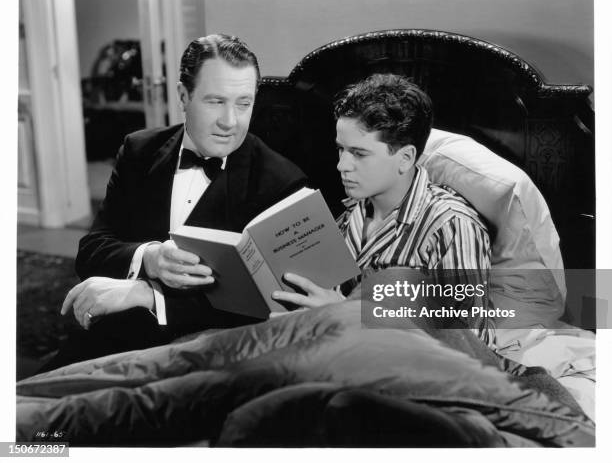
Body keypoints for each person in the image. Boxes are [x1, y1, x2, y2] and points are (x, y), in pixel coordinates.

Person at [46, 34, 307, 370]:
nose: (230, 121)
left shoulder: (283, 182)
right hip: (111, 336)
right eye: (215, 101)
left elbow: (273, 306)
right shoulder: (139, 151)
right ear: (183, 96)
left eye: (244, 103)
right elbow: (92, 250)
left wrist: (149, 296)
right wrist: (150, 258)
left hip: (206, 359)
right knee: (27, 411)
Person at [273, 73, 494, 344]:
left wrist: (347, 314)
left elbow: (474, 345)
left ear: (405, 158)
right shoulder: (348, 215)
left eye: (359, 153)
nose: (342, 165)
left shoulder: (451, 226)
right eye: (341, 150)